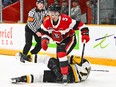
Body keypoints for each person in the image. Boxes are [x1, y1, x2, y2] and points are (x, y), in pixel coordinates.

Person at [40, 4, 90, 83]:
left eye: (53, 13)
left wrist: (85, 34)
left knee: (61, 53)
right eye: (50, 12)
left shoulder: (66, 20)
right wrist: (44, 40)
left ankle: (65, 75)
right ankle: (74, 62)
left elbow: (81, 25)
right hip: (59, 42)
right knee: (59, 60)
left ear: (58, 13)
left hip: (70, 39)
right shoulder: (46, 22)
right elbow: (44, 33)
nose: (51, 15)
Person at [11, 54, 91, 83]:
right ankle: (23, 79)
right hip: (69, 79)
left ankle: (28, 58)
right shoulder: (85, 71)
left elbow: (66, 58)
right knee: (42, 77)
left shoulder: (83, 61)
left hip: (66, 72)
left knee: (47, 59)